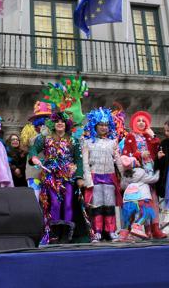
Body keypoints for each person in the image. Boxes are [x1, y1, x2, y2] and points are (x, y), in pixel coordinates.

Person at [29, 111, 83, 244]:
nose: (60, 123)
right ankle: (54, 233)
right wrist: (34, 157)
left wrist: (79, 177)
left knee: (69, 204)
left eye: (62, 122)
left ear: (66, 125)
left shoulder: (73, 140)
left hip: (68, 177)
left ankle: (66, 234)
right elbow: (33, 149)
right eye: (57, 121)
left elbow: (79, 160)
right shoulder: (45, 139)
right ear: (53, 124)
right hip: (51, 176)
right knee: (55, 203)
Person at [121, 111, 166, 239]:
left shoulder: (148, 137)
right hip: (138, 173)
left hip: (150, 170)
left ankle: (155, 228)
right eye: (138, 121)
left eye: (143, 121)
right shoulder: (130, 136)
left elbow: (158, 147)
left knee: (153, 200)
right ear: (134, 123)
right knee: (141, 201)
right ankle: (142, 228)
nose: (141, 123)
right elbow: (125, 155)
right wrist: (139, 155)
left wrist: (153, 135)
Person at [81, 107, 121, 242]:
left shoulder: (113, 142)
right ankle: (97, 231)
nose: (104, 127)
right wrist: (87, 179)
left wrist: (126, 176)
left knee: (109, 205)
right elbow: (85, 163)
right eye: (101, 125)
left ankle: (111, 231)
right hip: (95, 176)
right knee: (97, 206)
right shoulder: (87, 142)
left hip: (109, 177)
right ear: (95, 125)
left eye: (106, 125)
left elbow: (118, 161)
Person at [119, 158, 160, 241]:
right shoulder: (141, 173)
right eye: (136, 160)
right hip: (142, 197)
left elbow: (122, 186)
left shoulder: (125, 176)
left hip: (128, 199)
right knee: (147, 213)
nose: (138, 161)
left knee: (129, 217)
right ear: (134, 163)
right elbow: (153, 179)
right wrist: (158, 172)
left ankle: (124, 233)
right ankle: (137, 226)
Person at [20, 102, 52, 201]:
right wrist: (42, 136)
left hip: (50, 172)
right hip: (35, 172)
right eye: (42, 123)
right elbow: (30, 148)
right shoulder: (33, 139)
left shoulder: (54, 138)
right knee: (35, 199)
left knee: (49, 200)